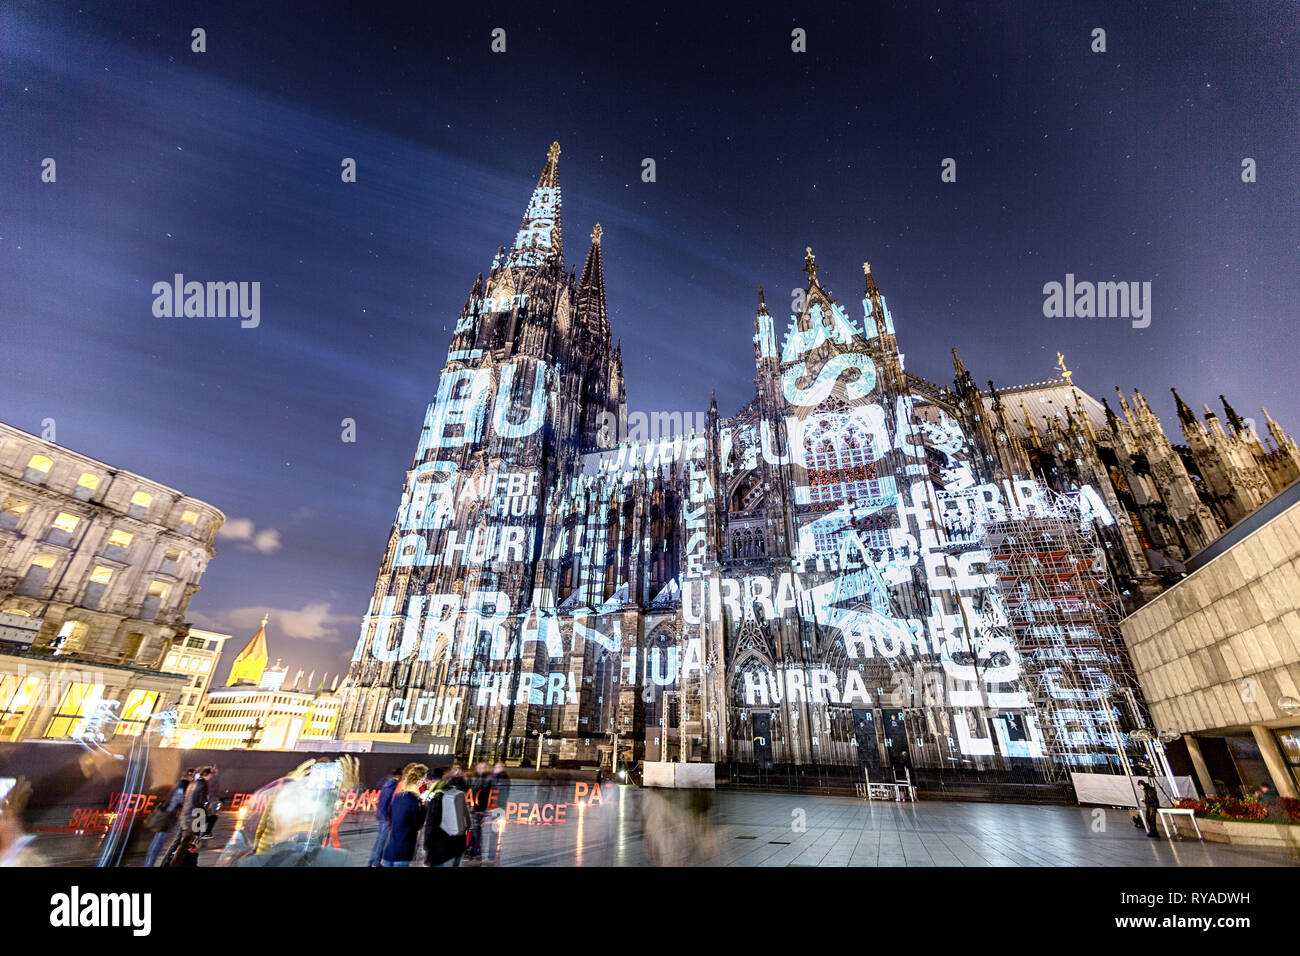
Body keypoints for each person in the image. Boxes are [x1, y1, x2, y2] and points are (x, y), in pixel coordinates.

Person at [167, 766, 216, 866]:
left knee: (179, 843)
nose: (211, 778)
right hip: (195, 818)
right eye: (210, 775)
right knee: (191, 845)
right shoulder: (203, 785)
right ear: (207, 775)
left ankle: (167, 862)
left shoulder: (193, 783)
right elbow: (201, 804)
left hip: (185, 816)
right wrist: (201, 826)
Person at [144, 768, 193, 867]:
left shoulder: (178, 784)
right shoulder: (183, 785)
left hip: (167, 815)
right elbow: (177, 801)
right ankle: (149, 864)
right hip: (168, 817)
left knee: (157, 841)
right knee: (159, 842)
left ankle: (149, 863)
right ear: (190, 776)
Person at [381, 764, 428, 867]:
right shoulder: (414, 801)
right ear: (419, 782)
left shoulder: (398, 797)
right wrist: (424, 807)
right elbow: (418, 824)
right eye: (424, 781)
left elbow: (390, 816)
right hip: (403, 853)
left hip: (389, 851)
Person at [423, 769, 470, 867]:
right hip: (459, 844)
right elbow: (467, 821)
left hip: (442, 850)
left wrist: (427, 848)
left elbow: (430, 825)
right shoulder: (456, 792)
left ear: (430, 780)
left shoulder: (435, 796)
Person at [369, 767, 403, 867]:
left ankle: (372, 861)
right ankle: (375, 862)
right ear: (400, 776)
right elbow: (390, 801)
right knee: (382, 840)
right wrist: (389, 815)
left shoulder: (387, 783)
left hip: (381, 812)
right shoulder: (393, 785)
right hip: (385, 814)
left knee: (380, 839)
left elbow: (382, 799)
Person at [466, 762, 491, 859]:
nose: (480, 769)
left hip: (480, 807)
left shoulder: (486, 779)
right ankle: (472, 848)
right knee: (472, 828)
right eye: (479, 767)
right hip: (473, 805)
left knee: (476, 828)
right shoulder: (475, 777)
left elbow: (483, 791)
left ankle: (476, 848)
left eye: (482, 767)